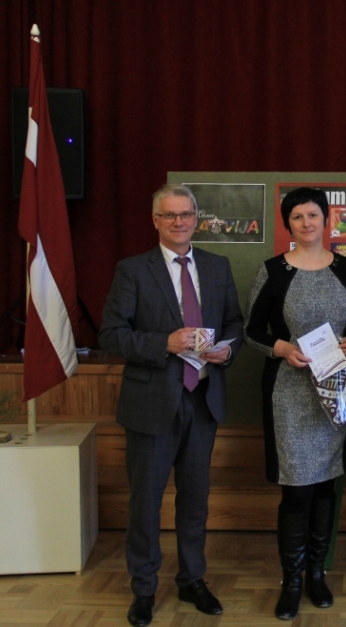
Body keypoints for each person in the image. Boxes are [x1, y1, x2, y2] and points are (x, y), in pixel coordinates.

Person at [100, 184, 244, 627]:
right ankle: (144, 589)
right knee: (145, 502)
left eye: (186, 214)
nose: (179, 222)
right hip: (151, 403)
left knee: (195, 499)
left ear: (196, 219)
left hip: (203, 400)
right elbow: (111, 335)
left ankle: (191, 579)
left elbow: (235, 322)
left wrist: (228, 349)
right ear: (155, 220)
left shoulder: (217, 266)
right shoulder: (133, 270)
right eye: (169, 215)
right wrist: (164, 342)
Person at [243, 187, 346, 621]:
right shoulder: (273, 271)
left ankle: (317, 573)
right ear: (288, 224)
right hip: (291, 393)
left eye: (313, 214)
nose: (306, 223)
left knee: (327, 485)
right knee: (297, 490)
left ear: (326, 219)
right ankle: (292, 580)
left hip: (337, 389)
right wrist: (280, 348)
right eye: (297, 217)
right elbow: (251, 330)